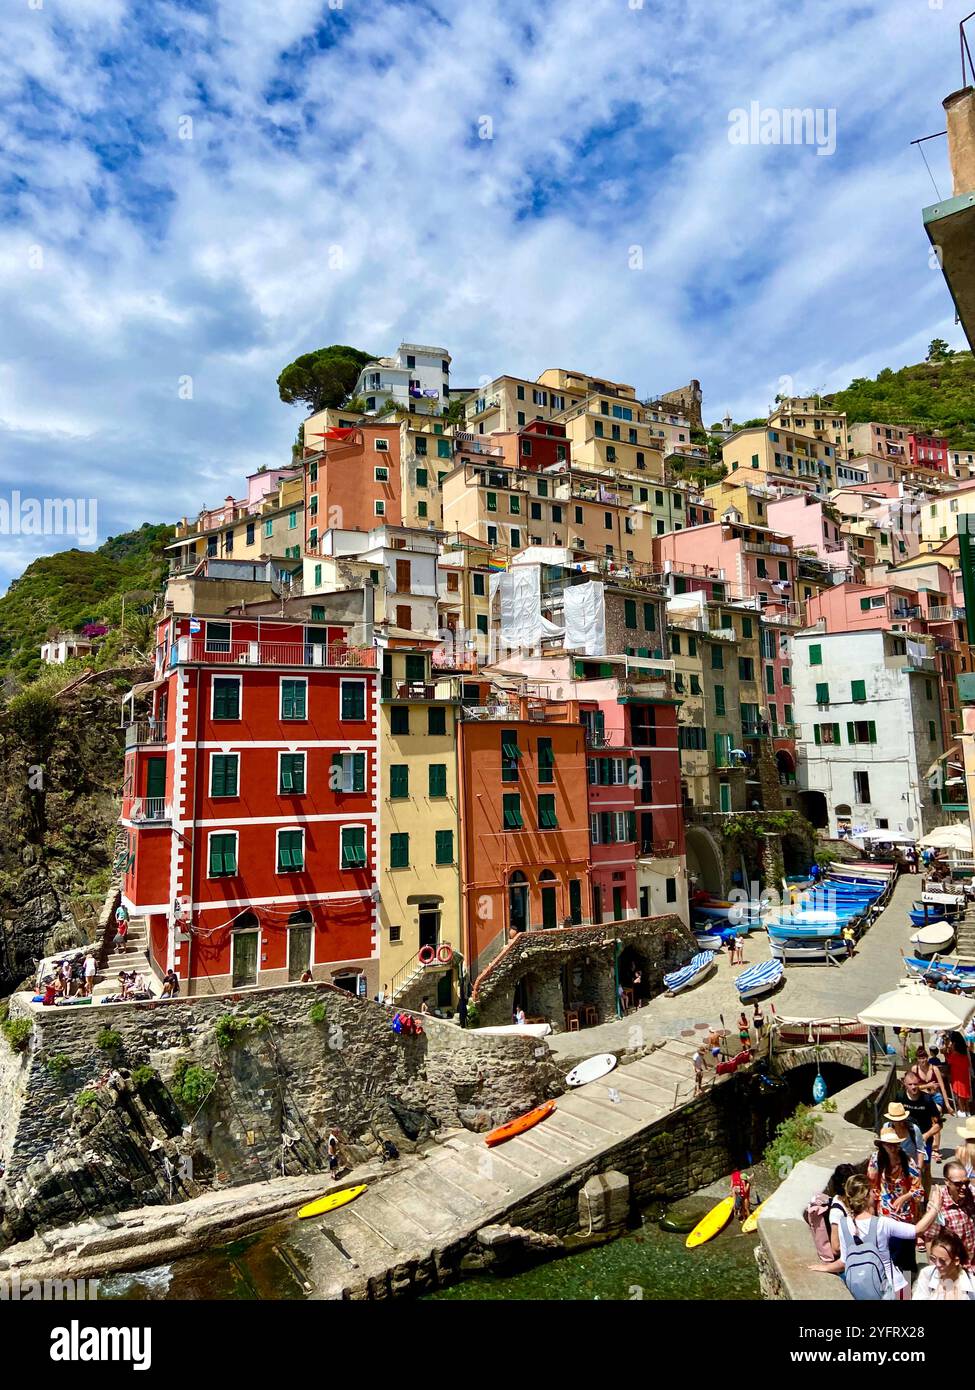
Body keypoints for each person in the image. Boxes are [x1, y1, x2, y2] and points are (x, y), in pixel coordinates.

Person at [829, 1173, 930, 1300]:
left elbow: (844, 1261)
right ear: (866, 1196)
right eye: (872, 1191)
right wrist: (935, 1208)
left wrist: (824, 1267)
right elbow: (918, 1230)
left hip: (866, 1289)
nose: (875, 1194)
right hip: (896, 1287)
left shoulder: (843, 1224)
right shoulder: (881, 1223)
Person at [869, 1127, 926, 1286]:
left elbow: (919, 1189)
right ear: (882, 1145)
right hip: (886, 1215)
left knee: (906, 1257)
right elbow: (873, 1186)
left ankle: (904, 1291)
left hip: (905, 1216)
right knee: (890, 1256)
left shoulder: (907, 1160)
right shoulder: (876, 1160)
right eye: (889, 1145)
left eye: (895, 1144)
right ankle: (893, 1288)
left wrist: (905, 1197)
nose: (893, 1148)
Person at [922, 1159, 975, 1264]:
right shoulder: (938, 1205)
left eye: (966, 1182)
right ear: (947, 1182)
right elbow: (930, 1238)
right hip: (953, 1265)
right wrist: (933, 1266)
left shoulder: (971, 1195)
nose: (964, 1187)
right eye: (958, 1184)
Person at [914, 1229, 975, 1300]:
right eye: (933, 1258)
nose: (937, 1264)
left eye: (942, 1261)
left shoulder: (972, 1285)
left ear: (956, 1261)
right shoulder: (927, 1274)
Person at [900, 1071, 942, 1163]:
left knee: (925, 1167)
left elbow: (939, 1124)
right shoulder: (900, 1097)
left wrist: (926, 1135)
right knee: (907, 1166)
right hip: (906, 1139)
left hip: (924, 1139)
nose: (913, 1087)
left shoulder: (927, 1099)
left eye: (915, 1084)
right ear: (905, 1084)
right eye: (910, 1084)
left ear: (919, 1083)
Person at [883, 1102, 927, 1170]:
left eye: (902, 1119)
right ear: (892, 1120)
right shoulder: (886, 1127)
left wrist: (919, 1169)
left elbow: (921, 1150)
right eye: (898, 1120)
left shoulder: (914, 1129)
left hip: (911, 1168)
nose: (901, 1122)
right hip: (893, 1168)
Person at [946, 1031, 973, 1118]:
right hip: (964, 1075)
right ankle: (967, 1110)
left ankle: (962, 1110)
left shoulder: (954, 1055)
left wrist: (947, 1051)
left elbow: (949, 1062)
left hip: (957, 1076)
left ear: (954, 1043)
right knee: (965, 1094)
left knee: (959, 1094)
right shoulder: (964, 1053)